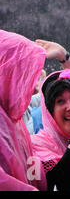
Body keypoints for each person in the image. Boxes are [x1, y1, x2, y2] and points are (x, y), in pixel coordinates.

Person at [0, 30, 47, 190]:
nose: (33, 90)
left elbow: (32, 173)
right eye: (25, 77)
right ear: (6, 74)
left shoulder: (14, 120)